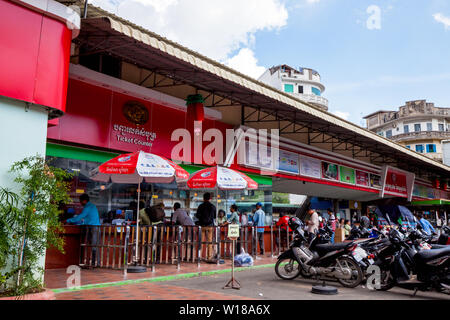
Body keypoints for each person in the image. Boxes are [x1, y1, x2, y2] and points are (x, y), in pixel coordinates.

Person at [66, 194, 101, 267]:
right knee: (95, 246)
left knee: (93, 246)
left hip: (93, 228)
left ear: (84, 201)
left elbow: (80, 217)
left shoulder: (88, 207)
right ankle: (95, 263)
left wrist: (68, 220)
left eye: (80, 201)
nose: (80, 203)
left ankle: (94, 263)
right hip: (95, 227)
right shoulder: (92, 206)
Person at [196, 193, 217, 262]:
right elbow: (214, 216)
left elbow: (197, 215)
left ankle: (200, 256)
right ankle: (209, 257)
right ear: (210, 198)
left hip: (202, 226)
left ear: (203, 198)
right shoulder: (213, 206)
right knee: (209, 242)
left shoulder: (201, 206)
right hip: (210, 226)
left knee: (201, 242)